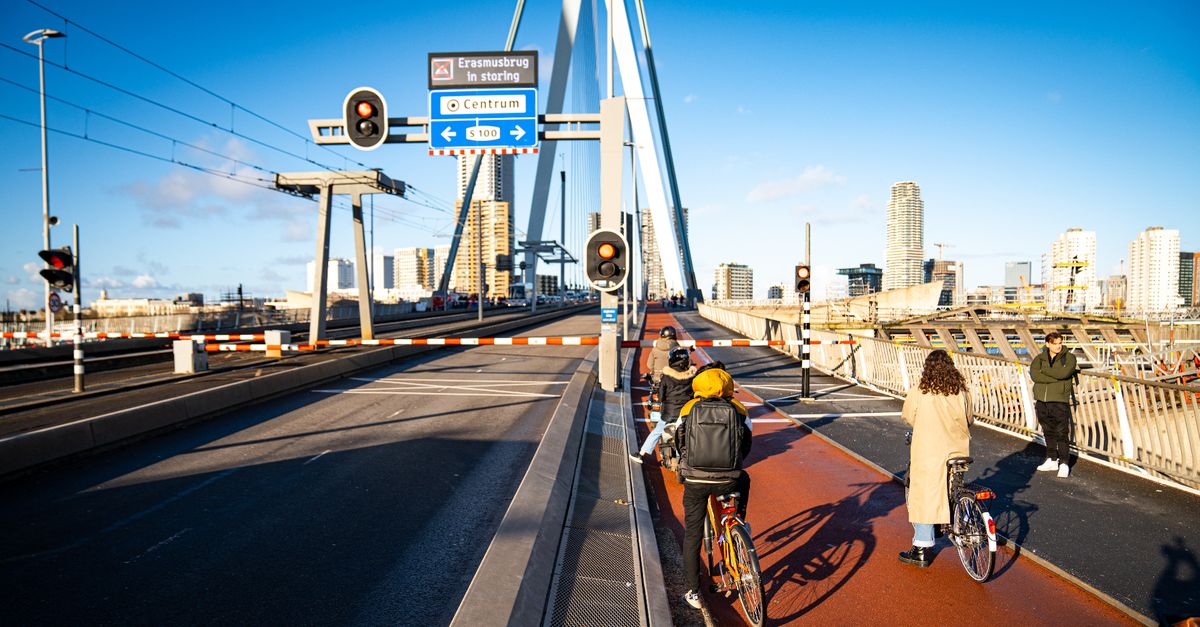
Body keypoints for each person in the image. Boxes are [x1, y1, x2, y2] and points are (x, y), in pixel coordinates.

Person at [676, 364, 753, 609]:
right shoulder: (739, 409)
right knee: (745, 479)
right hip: (728, 478)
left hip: (696, 481)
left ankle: (693, 592)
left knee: (693, 534)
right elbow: (747, 444)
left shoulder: (689, 408)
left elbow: (679, 441)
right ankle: (739, 520)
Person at [899, 349, 972, 568]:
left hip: (929, 451)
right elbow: (969, 418)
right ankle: (965, 523)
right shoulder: (961, 391)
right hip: (957, 449)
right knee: (956, 486)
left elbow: (908, 416)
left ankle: (922, 547)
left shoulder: (920, 391)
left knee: (923, 495)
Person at [631, 348, 696, 463]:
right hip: (686, 414)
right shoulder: (691, 377)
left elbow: (661, 397)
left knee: (656, 432)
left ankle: (641, 454)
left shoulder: (666, 377)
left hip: (669, 414)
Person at [1030, 331, 1079, 478]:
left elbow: (1064, 374)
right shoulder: (1039, 358)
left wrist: (1046, 372)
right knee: (1048, 431)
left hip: (1059, 401)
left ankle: (1064, 463)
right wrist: (1054, 376)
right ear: (1048, 344)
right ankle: (1052, 459)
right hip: (1042, 401)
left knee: (1061, 433)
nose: (1058, 346)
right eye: (1055, 344)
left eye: (1060, 343)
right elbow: (1034, 375)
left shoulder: (1069, 358)